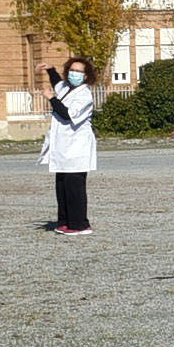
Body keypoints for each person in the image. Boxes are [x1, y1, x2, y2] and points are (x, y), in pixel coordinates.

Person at [39, 55, 99, 234]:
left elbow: (67, 114)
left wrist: (51, 98)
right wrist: (50, 69)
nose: (74, 74)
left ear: (86, 76)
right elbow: (58, 83)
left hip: (76, 147)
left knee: (75, 187)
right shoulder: (67, 88)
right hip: (63, 147)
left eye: (79, 71)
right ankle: (65, 221)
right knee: (62, 185)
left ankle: (80, 224)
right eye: (72, 70)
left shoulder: (84, 95)